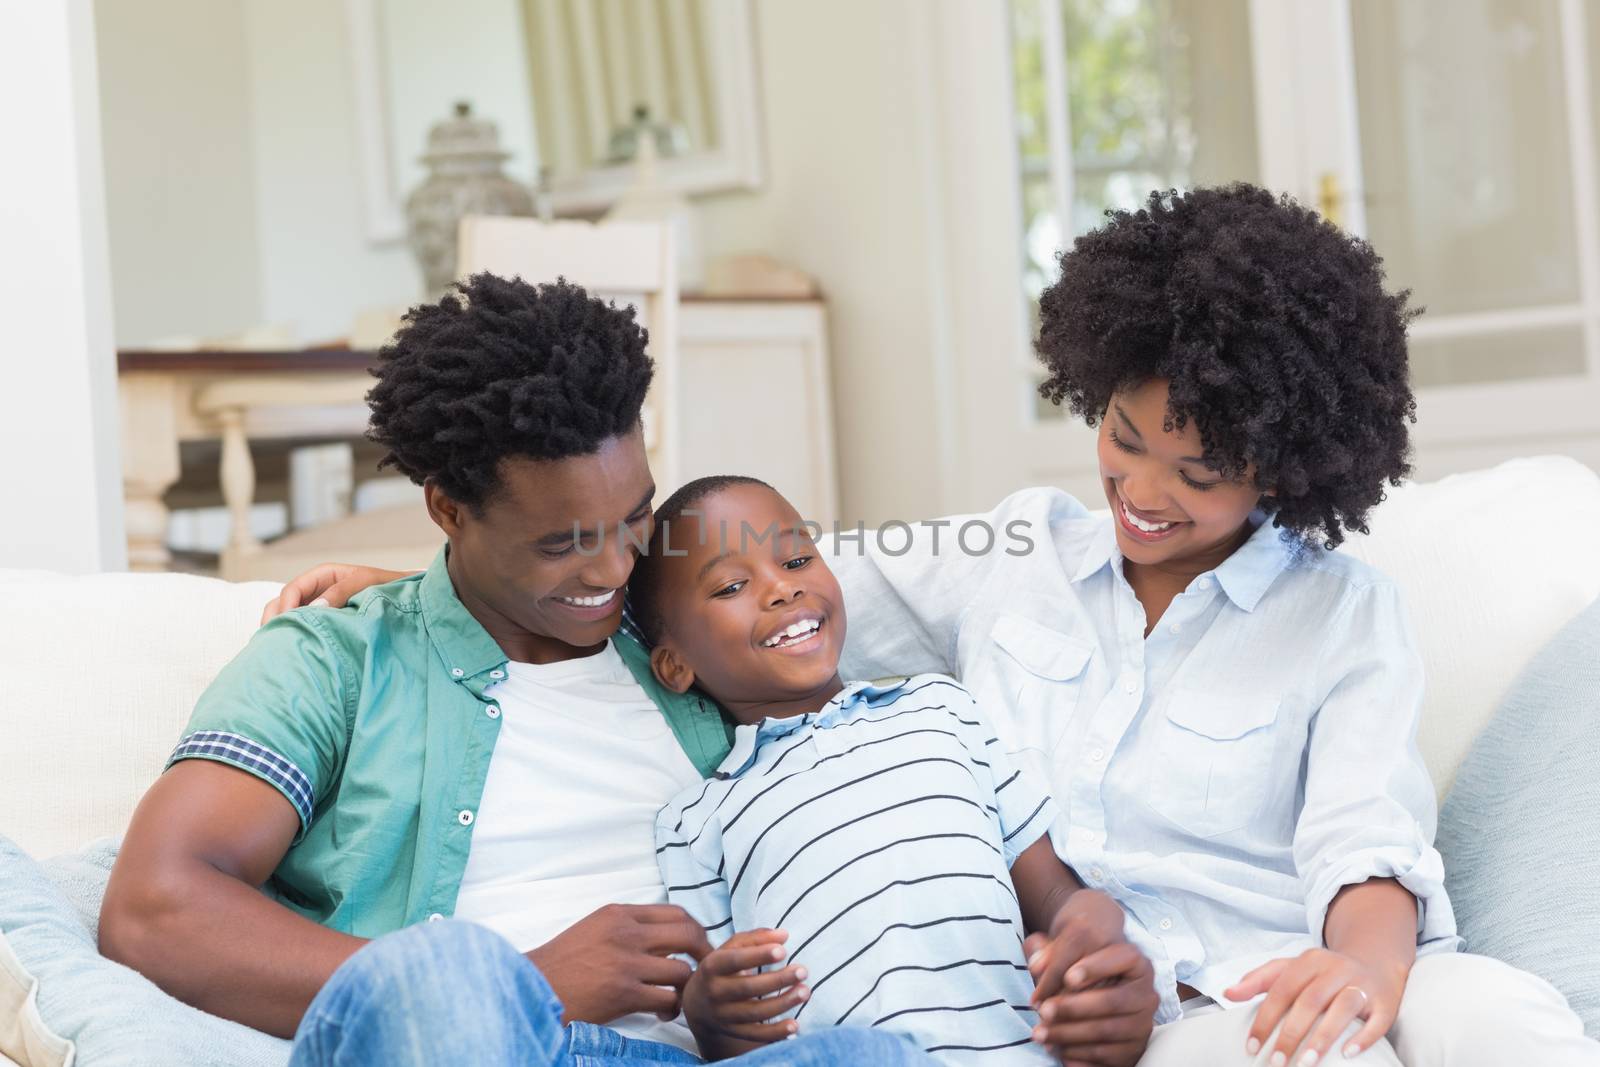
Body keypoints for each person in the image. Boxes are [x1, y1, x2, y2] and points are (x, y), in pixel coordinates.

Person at [278, 185, 1600, 1066]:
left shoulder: (1341, 613)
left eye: (1197, 476)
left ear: (1291, 465)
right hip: (994, 1005)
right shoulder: (1014, 550)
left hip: (1220, 992)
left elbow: (1365, 840)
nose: (1140, 493)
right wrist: (430, 579)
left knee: (1492, 1018)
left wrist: (1362, 975)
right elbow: (724, 574)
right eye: (1122, 439)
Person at [101, 274, 936, 1067]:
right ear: (448, 510)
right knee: (443, 972)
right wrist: (534, 979)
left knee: (876, 1054)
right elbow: (156, 907)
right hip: (473, 1036)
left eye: (636, 514)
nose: (615, 567)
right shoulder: (332, 661)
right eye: (564, 542)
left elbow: (820, 589)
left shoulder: (683, 628)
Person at [628, 475, 1158, 1064]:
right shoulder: (696, 819)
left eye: (799, 558)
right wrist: (710, 1013)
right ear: (675, 666)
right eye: (731, 585)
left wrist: (1094, 931)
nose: (782, 588)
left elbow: (1056, 893)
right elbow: (718, 1021)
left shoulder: (941, 708)